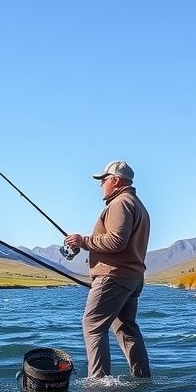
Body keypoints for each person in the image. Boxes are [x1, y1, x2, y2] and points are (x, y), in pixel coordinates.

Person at [64, 160, 151, 378]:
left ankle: (99, 383)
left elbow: (116, 242)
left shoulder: (120, 204)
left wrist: (82, 241)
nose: (100, 185)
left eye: (103, 180)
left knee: (92, 325)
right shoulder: (136, 203)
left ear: (115, 180)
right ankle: (142, 378)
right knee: (127, 329)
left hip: (113, 277)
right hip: (131, 278)